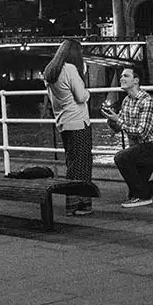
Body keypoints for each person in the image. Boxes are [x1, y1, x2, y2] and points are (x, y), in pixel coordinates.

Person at [102, 67, 153, 208]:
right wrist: (111, 120)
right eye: (121, 76)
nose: (121, 78)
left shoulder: (147, 102)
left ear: (136, 81)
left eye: (126, 76)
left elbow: (141, 132)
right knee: (135, 192)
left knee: (121, 157)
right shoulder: (126, 101)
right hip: (138, 149)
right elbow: (121, 127)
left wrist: (118, 121)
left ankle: (144, 197)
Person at [43, 39, 94, 216]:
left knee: (72, 163)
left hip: (63, 123)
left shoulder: (50, 71)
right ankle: (79, 204)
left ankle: (73, 203)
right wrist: (87, 90)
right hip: (79, 122)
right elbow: (81, 97)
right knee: (83, 164)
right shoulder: (70, 69)